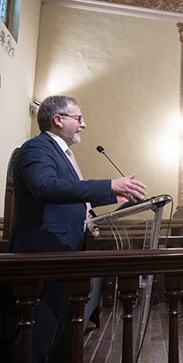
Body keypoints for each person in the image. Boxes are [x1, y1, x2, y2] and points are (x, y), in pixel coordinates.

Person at [4, 95, 147, 363]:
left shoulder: (62, 154)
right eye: (78, 118)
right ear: (58, 120)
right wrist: (109, 186)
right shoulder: (36, 148)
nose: (83, 125)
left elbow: (71, 196)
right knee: (36, 335)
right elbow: (46, 187)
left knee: (55, 333)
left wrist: (112, 198)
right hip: (42, 256)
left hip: (65, 253)